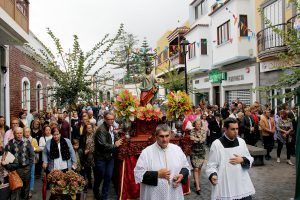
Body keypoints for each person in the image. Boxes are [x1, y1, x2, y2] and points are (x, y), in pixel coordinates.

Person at [134, 124, 190, 200]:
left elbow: (185, 167)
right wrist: (157, 174)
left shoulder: (177, 150)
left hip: (173, 194)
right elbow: (138, 174)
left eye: (167, 136)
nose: (165, 139)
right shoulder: (147, 152)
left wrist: (182, 175)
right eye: (161, 136)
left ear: (170, 135)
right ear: (156, 136)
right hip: (154, 195)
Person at [206, 118, 255, 200]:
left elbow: (249, 158)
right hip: (225, 184)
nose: (236, 131)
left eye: (237, 129)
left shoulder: (241, 142)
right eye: (233, 129)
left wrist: (242, 159)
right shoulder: (217, 144)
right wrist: (212, 175)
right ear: (225, 129)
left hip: (241, 183)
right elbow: (211, 165)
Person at [93, 111, 123, 200]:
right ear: (105, 119)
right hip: (101, 158)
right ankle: (96, 190)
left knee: (108, 177)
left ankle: (104, 196)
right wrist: (115, 145)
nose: (111, 121)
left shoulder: (111, 127)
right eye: (109, 119)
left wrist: (118, 138)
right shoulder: (101, 130)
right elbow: (103, 145)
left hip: (110, 158)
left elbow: (113, 138)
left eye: (112, 119)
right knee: (100, 177)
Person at [3, 127, 35, 200]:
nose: (19, 135)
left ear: (22, 133)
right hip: (15, 170)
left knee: (26, 188)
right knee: (16, 190)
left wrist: (29, 166)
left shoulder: (27, 142)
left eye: (20, 133)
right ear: (14, 134)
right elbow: (5, 157)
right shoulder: (10, 143)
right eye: (17, 133)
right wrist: (9, 168)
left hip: (26, 169)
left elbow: (32, 155)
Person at [190, 119, 206, 195]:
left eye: (199, 124)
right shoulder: (192, 131)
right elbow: (191, 139)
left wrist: (196, 139)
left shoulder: (203, 131)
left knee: (199, 168)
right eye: (197, 124)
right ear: (194, 124)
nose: (198, 125)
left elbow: (203, 140)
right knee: (195, 168)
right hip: (194, 152)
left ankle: (197, 181)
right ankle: (197, 187)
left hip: (201, 152)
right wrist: (198, 139)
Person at [24, 127, 40, 198]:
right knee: (24, 175)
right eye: (26, 132)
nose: (27, 133)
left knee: (31, 175)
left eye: (28, 132)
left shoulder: (33, 140)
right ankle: (24, 190)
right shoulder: (22, 140)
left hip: (32, 160)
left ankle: (30, 190)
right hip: (24, 161)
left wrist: (33, 148)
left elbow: (38, 149)